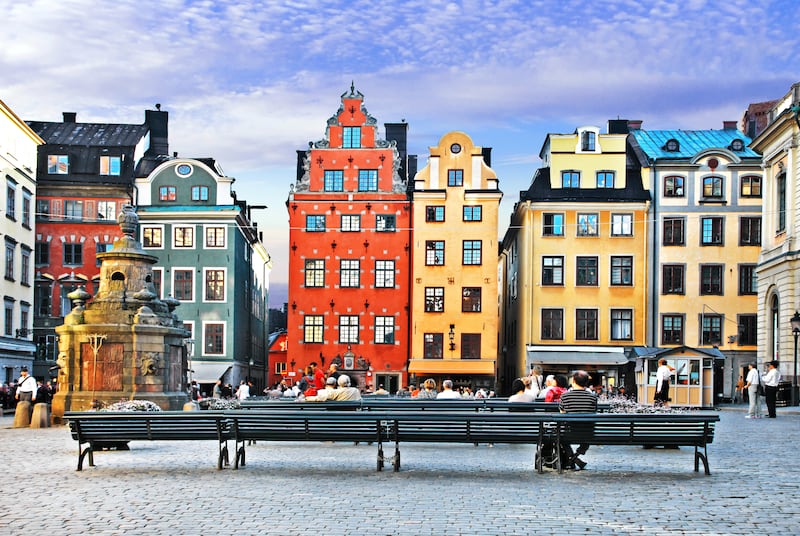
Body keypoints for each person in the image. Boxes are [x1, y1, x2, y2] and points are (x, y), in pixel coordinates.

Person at [558, 370, 598, 470]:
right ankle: (576, 457)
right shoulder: (592, 397)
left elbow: (562, 414)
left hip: (570, 432)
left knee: (559, 437)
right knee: (587, 434)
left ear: (573, 381)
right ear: (586, 383)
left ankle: (571, 459)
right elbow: (593, 413)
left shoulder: (565, 396)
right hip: (587, 433)